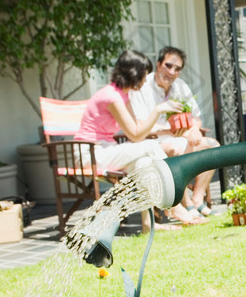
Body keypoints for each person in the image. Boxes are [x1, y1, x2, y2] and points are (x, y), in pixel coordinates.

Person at [74, 49, 196, 230]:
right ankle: (176, 204)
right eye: (144, 75)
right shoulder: (111, 96)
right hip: (89, 153)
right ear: (134, 74)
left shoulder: (124, 95)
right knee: (149, 147)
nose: (146, 79)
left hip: (106, 149)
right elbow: (135, 135)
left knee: (144, 164)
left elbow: (138, 131)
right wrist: (158, 110)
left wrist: (165, 128)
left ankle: (148, 224)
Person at [130, 46, 220, 218]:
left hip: (183, 138)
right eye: (168, 65)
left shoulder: (180, 86)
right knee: (177, 148)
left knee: (213, 147)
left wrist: (194, 130)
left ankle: (197, 200)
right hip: (153, 142)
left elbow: (196, 118)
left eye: (177, 69)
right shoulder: (143, 86)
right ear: (158, 64)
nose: (172, 72)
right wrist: (171, 132)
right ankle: (183, 203)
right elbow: (140, 125)